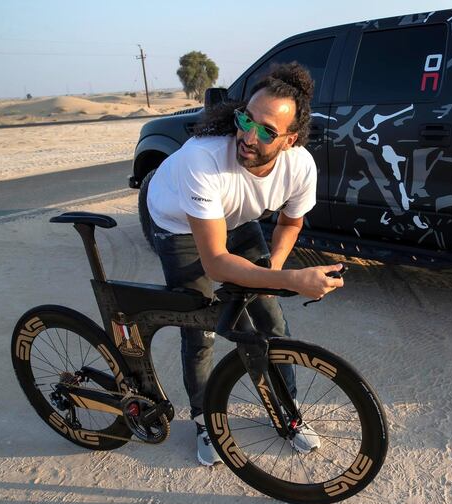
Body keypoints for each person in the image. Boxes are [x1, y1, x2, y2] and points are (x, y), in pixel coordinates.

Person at [146, 63, 343, 466]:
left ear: (290, 139)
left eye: (267, 131)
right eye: (245, 120)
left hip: (235, 219)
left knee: (272, 322)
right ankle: (204, 419)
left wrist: (272, 276)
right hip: (179, 225)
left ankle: (287, 414)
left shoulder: (300, 165)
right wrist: (288, 279)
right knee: (200, 329)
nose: (248, 136)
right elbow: (216, 262)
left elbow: (291, 221)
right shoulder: (202, 159)